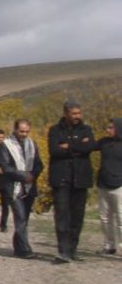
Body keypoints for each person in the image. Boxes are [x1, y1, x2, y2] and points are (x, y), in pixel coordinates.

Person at [48, 101, 96, 263]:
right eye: (74, 114)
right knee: (62, 216)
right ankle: (63, 251)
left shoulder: (86, 129)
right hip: (62, 179)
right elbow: (54, 150)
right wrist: (78, 146)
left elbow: (90, 147)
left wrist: (68, 146)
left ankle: (73, 249)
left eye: (79, 113)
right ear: (66, 114)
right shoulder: (55, 130)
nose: (77, 117)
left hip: (80, 179)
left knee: (77, 216)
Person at [2, 119, 43, 259]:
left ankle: (18, 246)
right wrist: (23, 175)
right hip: (14, 187)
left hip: (29, 186)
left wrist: (33, 175)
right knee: (20, 216)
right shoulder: (6, 145)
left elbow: (38, 163)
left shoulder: (32, 144)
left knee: (24, 217)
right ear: (15, 129)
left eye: (26, 131)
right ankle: (25, 249)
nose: (24, 134)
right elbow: (6, 167)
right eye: (21, 131)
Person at [95, 118, 122, 255]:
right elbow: (89, 147)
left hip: (119, 186)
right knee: (105, 218)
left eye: (111, 127)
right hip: (103, 185)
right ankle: (109, 245)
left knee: (121, 218)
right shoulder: (104, 142)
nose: (108, 130)